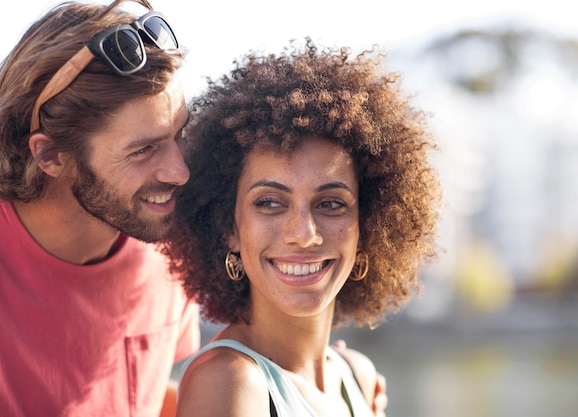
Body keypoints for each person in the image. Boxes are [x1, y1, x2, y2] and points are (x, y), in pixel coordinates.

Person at [163, 37, 442, 417]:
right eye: (270, 203)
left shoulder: (356, 377)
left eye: (331, 204)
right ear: (229, 228)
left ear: (368, 227)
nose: (304, 233)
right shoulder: (231, 383)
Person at [0, 1, 201, 415]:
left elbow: (152, 400)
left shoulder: (169, 253)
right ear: (50, 156)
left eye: (180, 133)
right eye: (143, 150)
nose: (180, 171)